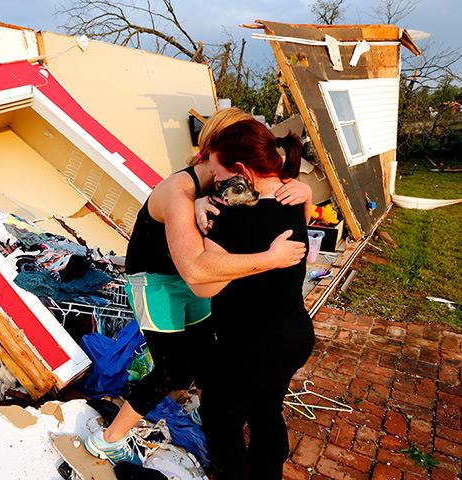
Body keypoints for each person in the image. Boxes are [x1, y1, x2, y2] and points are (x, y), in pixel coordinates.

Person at [84, 108, 311, 465]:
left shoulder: (227, 183)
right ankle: (109, 438)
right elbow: (195, 271)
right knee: (173, 369)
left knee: (208, 359)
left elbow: (267, 200)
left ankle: (214, 412)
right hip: (158, 280)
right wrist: (271, 258)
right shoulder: (180, 189)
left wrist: (303, 187)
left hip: (197, 273)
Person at [190, 119, 316, 479]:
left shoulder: (231, 217)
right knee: (266, 411)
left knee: (220, 423)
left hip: (253, 348)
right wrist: (203, 198)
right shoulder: (293, 197)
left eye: (217, 174)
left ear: (241, 171)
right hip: (294, 334)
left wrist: (200, 208)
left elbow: (204, 283)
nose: (215, 181)